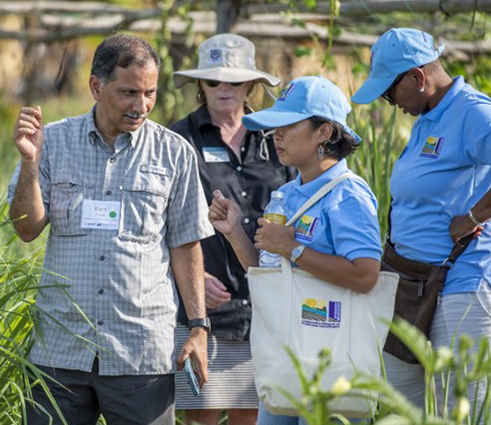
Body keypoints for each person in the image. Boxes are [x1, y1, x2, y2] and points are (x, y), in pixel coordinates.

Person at [8, 34, 214, 425]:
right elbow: (27, 229)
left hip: (140, 353)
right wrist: (30, 164)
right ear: (96, 87)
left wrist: (199, 327)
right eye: (129, 92)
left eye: (150, 93)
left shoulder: (174, 153)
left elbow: (186, 244)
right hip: (61, 350)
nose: (142, 106)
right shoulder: (51, 141)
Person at [352, 28, 491, 423]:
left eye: (389, 92)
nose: (389, 102)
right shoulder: (430, 115)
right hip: (417, 286)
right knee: (398, 411)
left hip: (471, 288)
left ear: (417, 77)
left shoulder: (471, 111)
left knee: (464, 415)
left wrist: (480, 213)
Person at [208, 75, 383, 425]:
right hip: (285, 356)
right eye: (275, 126)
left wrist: (295, 249)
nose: (277, 135)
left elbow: (366, 275)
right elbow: (270, 271)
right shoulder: (287, 194)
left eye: (288, 125)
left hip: (332, 361)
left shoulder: (348, 195)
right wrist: (235, 234)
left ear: (325, 132)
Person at [170, 33, 296, 425]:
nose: (224, 89)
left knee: (254, 414)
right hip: (203, 310)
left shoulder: (280, 140)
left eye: (235, 80)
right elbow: (159, 221)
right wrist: (192, 279)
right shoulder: (178, 140)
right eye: (212, 80)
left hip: (269, 305)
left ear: (251, 84)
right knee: (201, 416)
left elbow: (297, 207)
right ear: (199, 86)